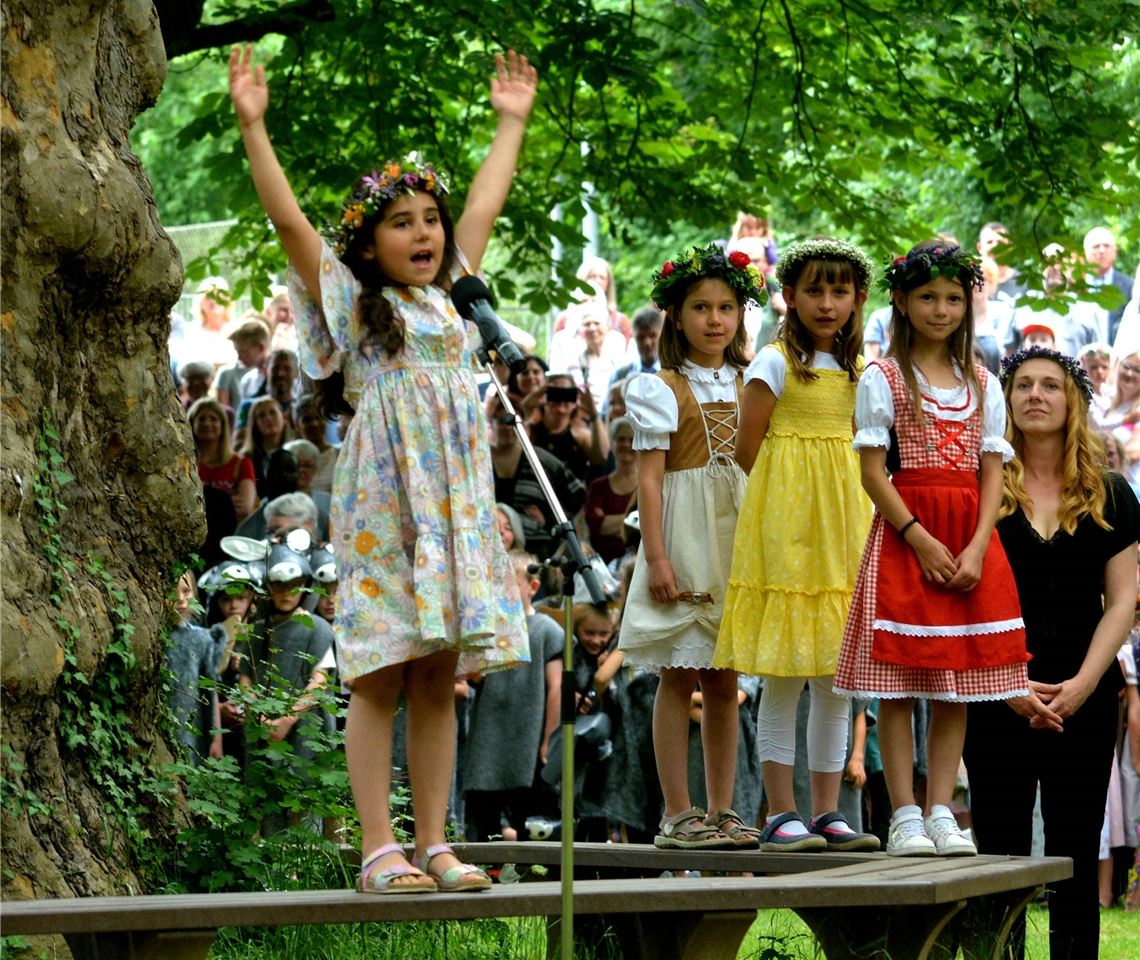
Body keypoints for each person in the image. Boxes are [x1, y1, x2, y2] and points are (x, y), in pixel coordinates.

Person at [229, 42, 534, 892]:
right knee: (382, 671)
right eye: (401, 222)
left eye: (428, 219)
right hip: (386, 502)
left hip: (455, 504)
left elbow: (484, 203)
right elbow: (291, 224)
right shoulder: (356, 305)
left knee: (439, 673)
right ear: (368, 244)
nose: (425, 232)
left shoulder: (454, 298)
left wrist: (509, 124)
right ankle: (377, 849)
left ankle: (435, 844)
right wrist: (255, 127)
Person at [834, 241, 1030, 857]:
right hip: (906, 531)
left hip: (971, 533)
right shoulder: (884, 376)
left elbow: (993, 472)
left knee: (957, 682)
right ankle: (904, 814)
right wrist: (916, 537)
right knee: (899, 682)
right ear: (901, 299)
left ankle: (943, 806)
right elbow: (872, 473)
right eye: (927, 297)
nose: (941, 309)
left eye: (952, 298)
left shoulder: (982, 380)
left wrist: (977, 546)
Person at [963, 346, 1139, 958]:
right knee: (999, 856)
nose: (1036, 395)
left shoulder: (1111, 493)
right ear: (1005, 402)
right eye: (1023, 386)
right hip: (995, 694)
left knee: (1072, 850)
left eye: (1051, 386)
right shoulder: (977, 485)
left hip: (1084, 695)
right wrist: (1007, 686)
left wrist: (1088, 683)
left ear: (1074, 402)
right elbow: (964, 599)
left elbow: (1122, 601)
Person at [717, 237, 879, 852]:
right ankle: (781, 811)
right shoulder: (774, 364)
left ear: (859, 298)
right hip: (788, 532)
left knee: (837, 680)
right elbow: (748, 447)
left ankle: (829, 811)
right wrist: (791, 501)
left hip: (847, 530)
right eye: (814, 289)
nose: (827, 302)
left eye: (840, 291)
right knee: (785, 676)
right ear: (789, 296)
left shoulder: (865, 372)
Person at [622, 243, 764, 849]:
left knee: (726, 677)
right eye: (701, 307)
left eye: (726, 307)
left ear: (740, 315)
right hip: (682, 533)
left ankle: (724, 809)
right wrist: (656, 556)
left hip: (740, 531)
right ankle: (678, 812)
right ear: (675, 317)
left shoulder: (754, 381)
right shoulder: (661, 388)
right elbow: (649, 479)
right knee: (679, 673)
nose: (714, 319)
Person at [463, 551, 563, 842]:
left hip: (527, 741)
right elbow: (474, 678)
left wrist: (549, 740)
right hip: (488, 738)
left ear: (532, 587)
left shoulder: (546, 630)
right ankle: (486, 872)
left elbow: (556, 687)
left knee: (529, 820)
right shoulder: (488, 629)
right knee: (482, 818)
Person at [528, 372, 609, 484]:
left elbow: (601, 457)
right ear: (543, 396)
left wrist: (594, 414)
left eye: (566, 394)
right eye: (555, 393)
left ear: (575, 401)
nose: (561, 401)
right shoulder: (530, 430)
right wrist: (527, 406)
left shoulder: (580, 435)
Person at [189, 397, 257, 524]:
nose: (207, 423)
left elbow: (245, 509)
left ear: (223, 425)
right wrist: (225, 502)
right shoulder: (184, 463)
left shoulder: (241, 464)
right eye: (201, 418)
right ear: (192, 424)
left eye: (213, 419)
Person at [585, 416, 638, 566]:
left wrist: (609, 521)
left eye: (632, 440)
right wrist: (633, 520)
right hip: (602, 564)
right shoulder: (598, 487)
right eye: (621, 439)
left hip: (637, 562)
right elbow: (596, 525)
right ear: (612, 443)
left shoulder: (648, 485)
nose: (626, 444)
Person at [1084, 227, 1133, 345]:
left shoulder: (1130, 286)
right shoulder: (1075, 285)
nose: (1101, 250)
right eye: (1096, 246)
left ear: (1115, 251)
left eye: (1106, 246)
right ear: (1086, 252)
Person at [240, 395, 294, 497]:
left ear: (283, 416)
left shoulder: (295, 450)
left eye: (272, 413)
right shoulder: (247, 458)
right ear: (255, 424)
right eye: (261, 416)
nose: (268, 418)